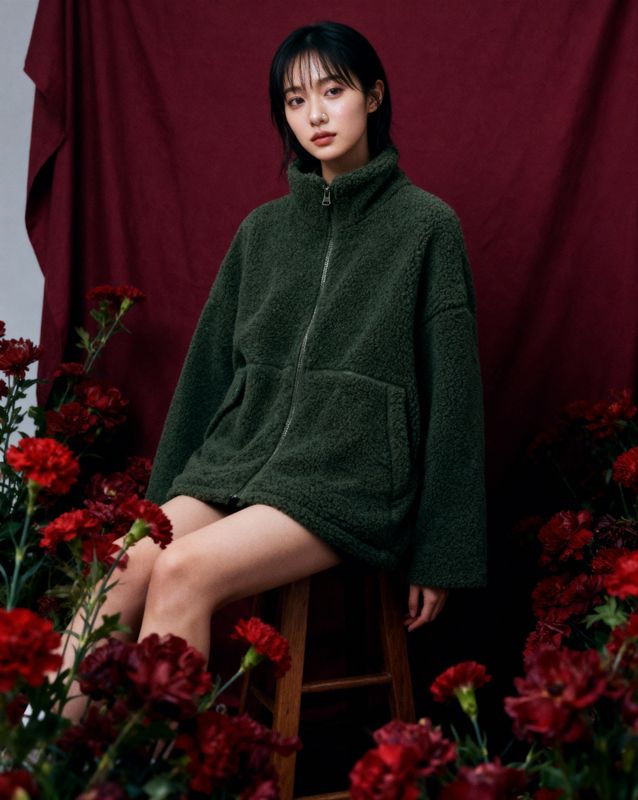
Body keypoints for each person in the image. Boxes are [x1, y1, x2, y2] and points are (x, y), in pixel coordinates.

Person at [55, 20, 486, 722]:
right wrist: (161, 508)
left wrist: (442, 554)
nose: (314, 114)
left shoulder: (425, 227)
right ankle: (31, 766)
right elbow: (205, 378)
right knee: (128, 561)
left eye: (333, 90)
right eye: (293, 100)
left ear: (373, 96)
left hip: (349, 476)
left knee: (185, 571)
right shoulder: (262, 233)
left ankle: (164, 777)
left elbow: (456, 401)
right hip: (242, 456)